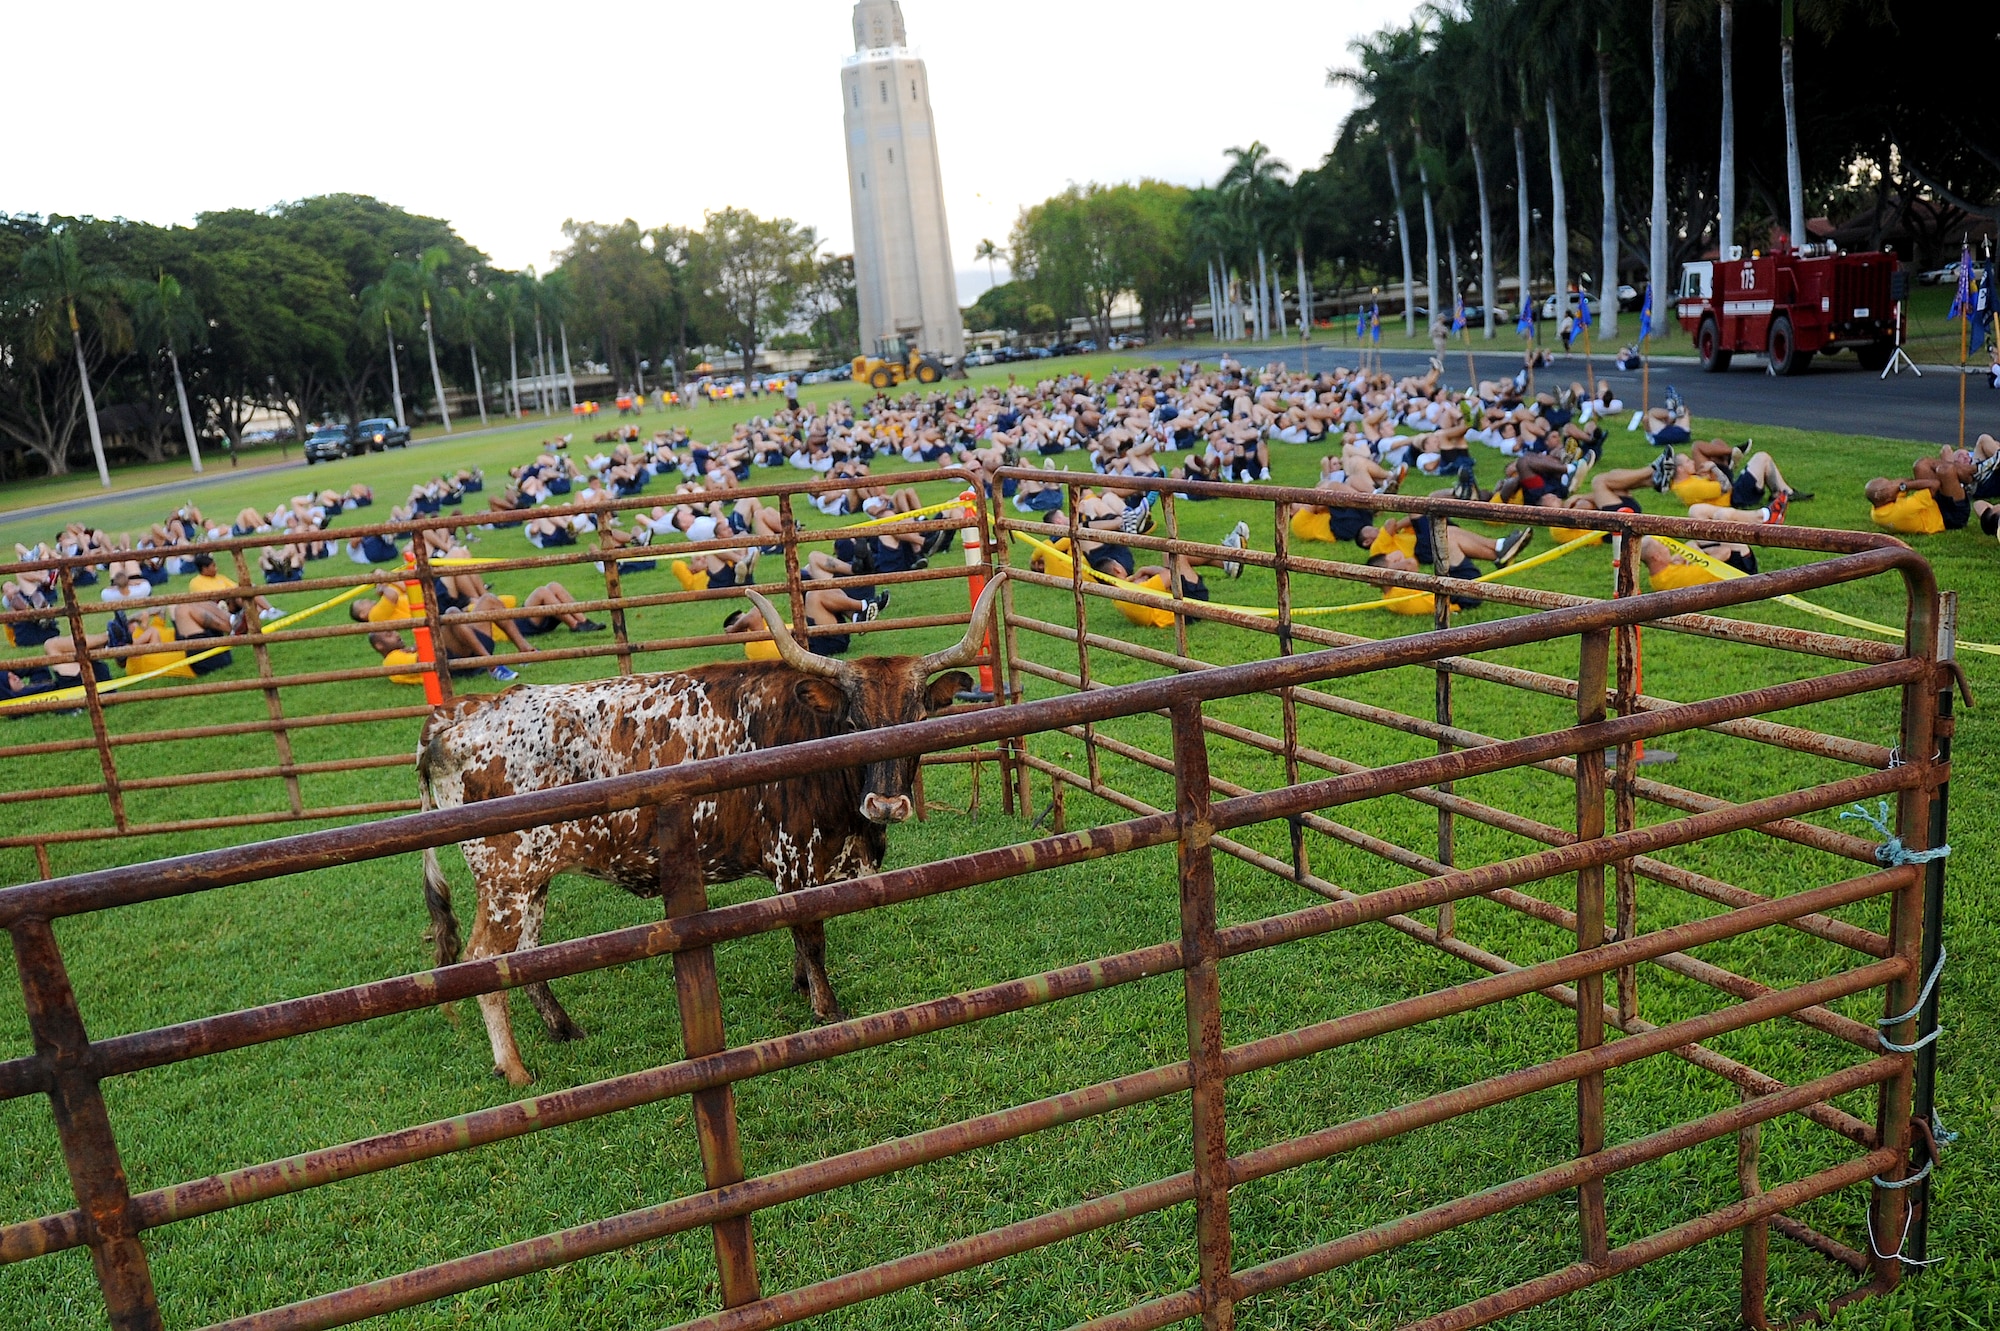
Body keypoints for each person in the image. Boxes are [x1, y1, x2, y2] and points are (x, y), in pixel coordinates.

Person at [188, 553, 281, 621]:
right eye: (213, 566)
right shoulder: (196, 582)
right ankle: (261, 613)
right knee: (238, 595)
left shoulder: (220, 577)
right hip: (220, 605)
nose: (216, 568)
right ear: (205, 569)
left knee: (248, 588)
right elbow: (209, 598)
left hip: (230, 600)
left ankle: (270, 610)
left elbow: (235, 586)